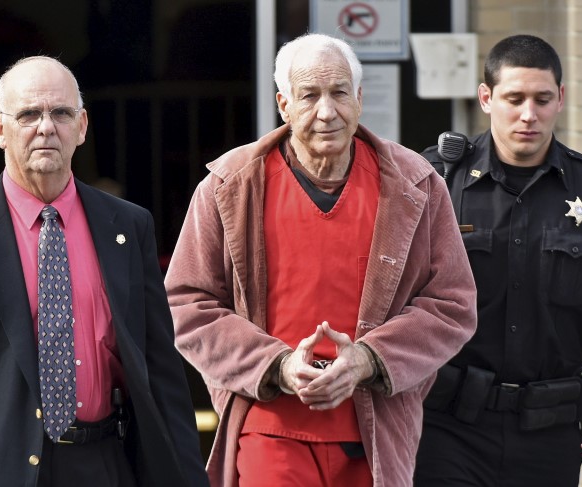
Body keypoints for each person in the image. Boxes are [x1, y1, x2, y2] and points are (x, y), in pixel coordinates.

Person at [165, 33, 477, 487]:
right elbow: (187, 303)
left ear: (360, 99)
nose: (327, 112)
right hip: (269, 425)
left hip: (375, 431)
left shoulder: (416, 184)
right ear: (283, 104)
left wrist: (369, 360)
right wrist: (277, 365)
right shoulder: (229, 186)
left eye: (339, 93)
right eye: (309, 96)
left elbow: (453, 304)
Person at [0, 56, 209, 487]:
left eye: (61, 113)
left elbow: (161, 374)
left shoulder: (128, 226)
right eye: (28, 114)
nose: (46, 127)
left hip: (103, 462)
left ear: (81, 127)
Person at [413, 35, 582, 487]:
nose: (529, 114)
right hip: (447, 430)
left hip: (550, 434)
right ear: (486, 98)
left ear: (560, 99)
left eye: (542, 99)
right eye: (514, 98)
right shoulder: (434, 184)